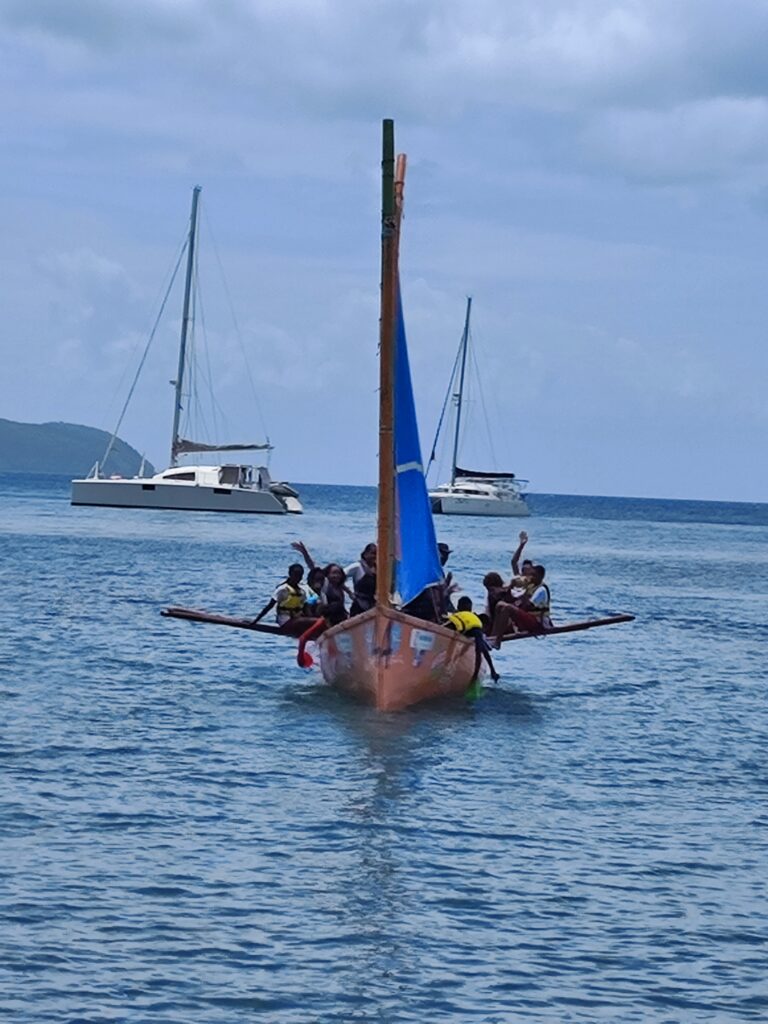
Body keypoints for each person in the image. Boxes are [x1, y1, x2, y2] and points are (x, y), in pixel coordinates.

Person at [490, 564, 552, 647]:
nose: (531, 577)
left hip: (539, 623)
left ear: (541, 577)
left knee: (507, 608)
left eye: (534, 575)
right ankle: (492, 636)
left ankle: (498, 642)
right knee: (500, 605)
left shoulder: (541, 590)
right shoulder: (531, 586)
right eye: (531, 575)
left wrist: (521, 598)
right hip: (530, 619)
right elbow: (518, 589)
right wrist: (512, 586)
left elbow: (528, 606)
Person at [252, 563, 320, 637]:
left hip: (296, 619)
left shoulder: (301, 591)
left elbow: (305, 608)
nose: (298, 578)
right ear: (290, 574)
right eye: (295, 575)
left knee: (316, 620)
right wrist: (255, 621)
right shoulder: (282, 589)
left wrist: (311, 618)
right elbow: (269, 606)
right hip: (284, 621)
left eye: (300, 576)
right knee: (314, 621)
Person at [445, 596, 500, 683]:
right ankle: (492, 671)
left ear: (458, 607)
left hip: (463, 629)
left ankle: (447, 664)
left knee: (480, 648)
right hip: (472, 631)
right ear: (470, 609)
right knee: (482, 648)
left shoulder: (456, 616)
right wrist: (477, 674)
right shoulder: (475, 620)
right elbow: (481, 652)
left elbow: (447, 625)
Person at [346, 543, 377, 616]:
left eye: (376, 554)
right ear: (365, 554)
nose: (374, 556)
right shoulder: (357, 566)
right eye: (372, 553)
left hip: (371, 604)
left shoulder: (377, 568)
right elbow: (341, 575)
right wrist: (349, 592)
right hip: (358, 605)